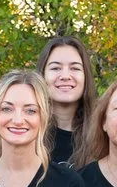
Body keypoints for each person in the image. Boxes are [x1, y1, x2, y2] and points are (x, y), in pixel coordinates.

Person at [38, 34, 94, 165]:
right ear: (42, 75)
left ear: (86, 76)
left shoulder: (103, 134)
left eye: (75, 68)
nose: (65, 76)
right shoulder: (25, 132)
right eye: (55, 68)